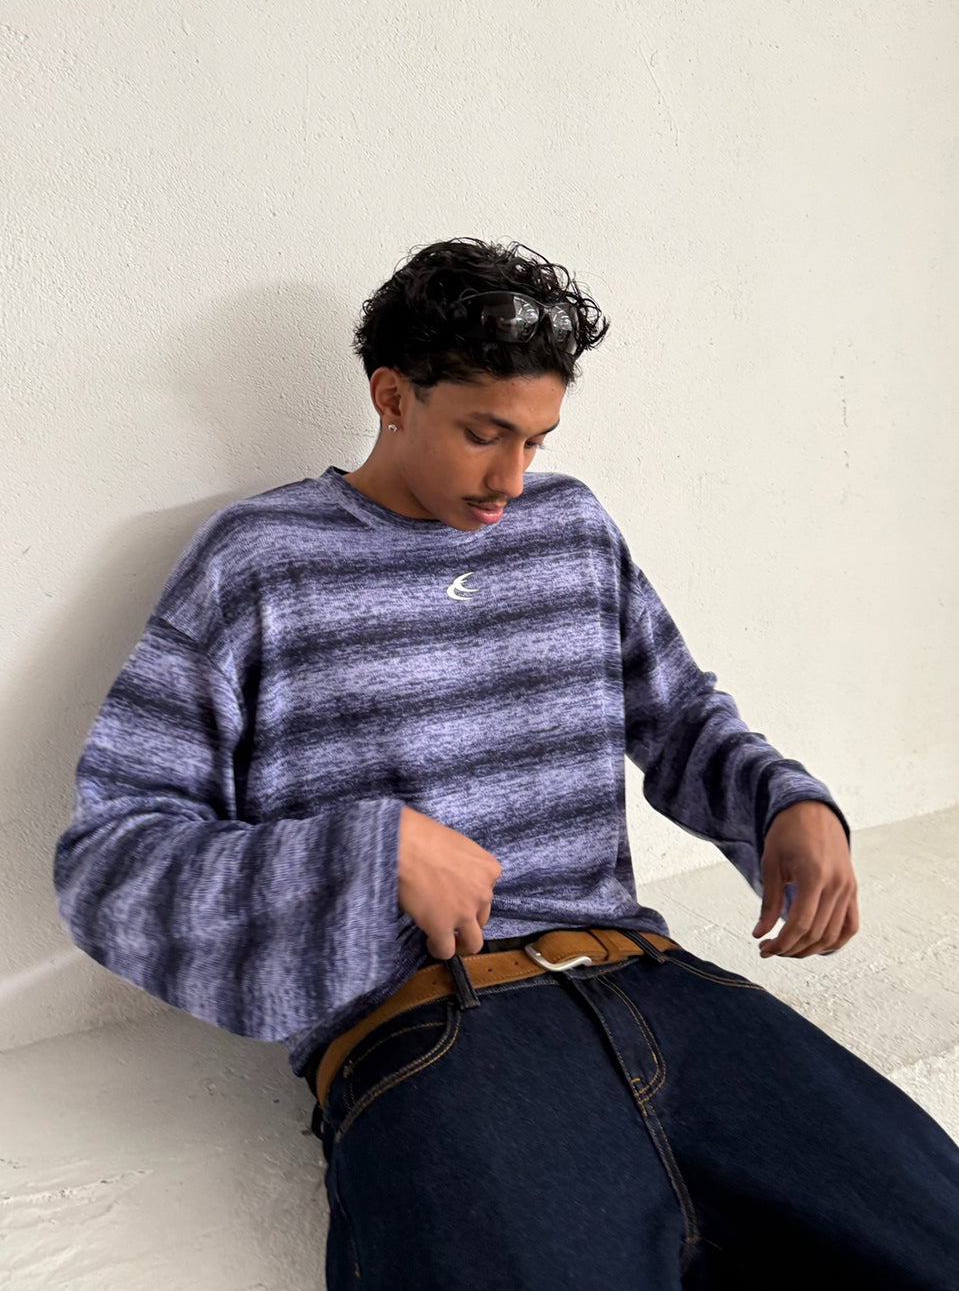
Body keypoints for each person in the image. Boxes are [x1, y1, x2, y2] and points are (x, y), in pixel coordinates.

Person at [55, 238, 959, 1290]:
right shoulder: (258, 563)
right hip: (438, 1036)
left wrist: (781, 804)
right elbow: (109, 865)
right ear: (391, 396)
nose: (509, 480)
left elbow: (678, 716)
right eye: (482, 434)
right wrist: (374, 852)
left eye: (534, 440)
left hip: (664, 991)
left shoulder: (568, 529)